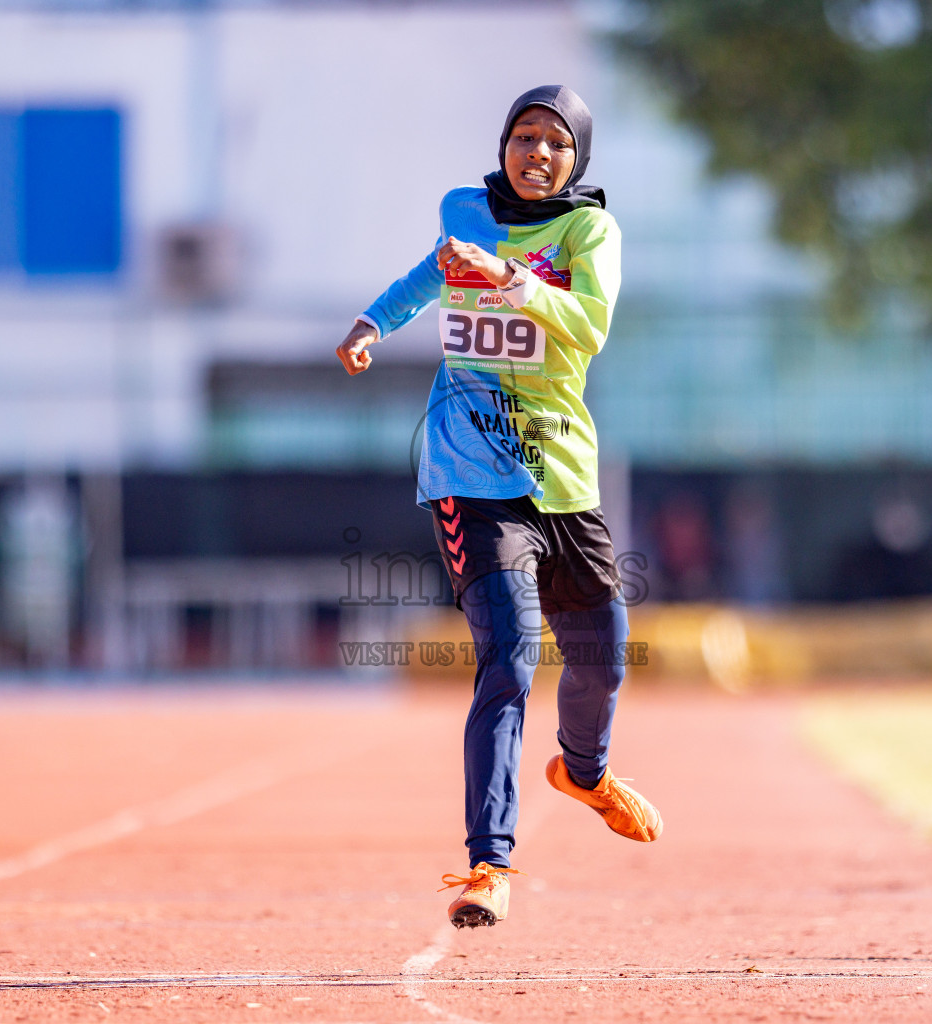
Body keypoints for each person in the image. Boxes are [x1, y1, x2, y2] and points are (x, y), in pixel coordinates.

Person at [335, 84, 661, 929]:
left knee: (604, 657)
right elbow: (425, 274)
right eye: (524, 135)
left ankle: (583, 773)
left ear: (576, 158)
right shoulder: (463, 210)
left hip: (562, 472)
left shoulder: (589, 230)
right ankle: (489, 865)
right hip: (471, 473)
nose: (537, 152)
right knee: (509, 661)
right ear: (504, 145)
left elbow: (586, 328)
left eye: (556, 142)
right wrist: (375, 322)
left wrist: (510, 277)